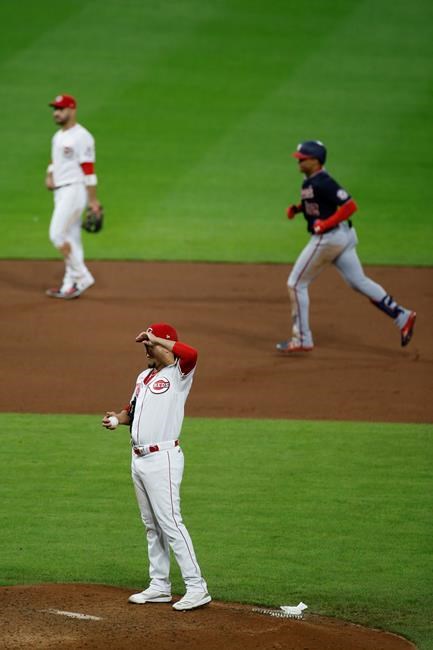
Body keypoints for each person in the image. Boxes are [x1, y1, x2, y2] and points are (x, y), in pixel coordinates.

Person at [102, 322, 211, 611]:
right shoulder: (144, 376)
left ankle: (197, 587)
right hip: (138, 458)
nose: (146, 349)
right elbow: (131, 411)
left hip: (163, 458)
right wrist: (117, 419)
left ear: (164, 345)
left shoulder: (180, 374)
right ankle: (160, 586)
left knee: (171, 523)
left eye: (150, 344)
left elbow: (192, 352)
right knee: (152, 525)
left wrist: (155, 338)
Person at [276, 140, 416, 352]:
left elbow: (350, 206)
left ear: (315, 161)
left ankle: (303, 339)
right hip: (342, 236)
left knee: (295, 284)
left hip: (329, 238)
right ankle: (402, 315)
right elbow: (317, 205)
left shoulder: (324, 181)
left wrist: (326, 224)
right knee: (358, 282)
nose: (299, 162)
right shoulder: (310, 180)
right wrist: (297, 210)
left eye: (303, 159)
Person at [45, 94, 102, 299]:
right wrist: (50, 174)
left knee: (56, 234)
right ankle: (69, 285)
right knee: (72, 238)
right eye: (55, 109)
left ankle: (82, 275)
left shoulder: (82, 137)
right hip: (60, 190)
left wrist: (93, 200)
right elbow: (55, 158)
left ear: (72, 110)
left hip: (74, 190)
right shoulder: (58, 136)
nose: (57, 113)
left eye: (61, 109)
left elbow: (88, 170)